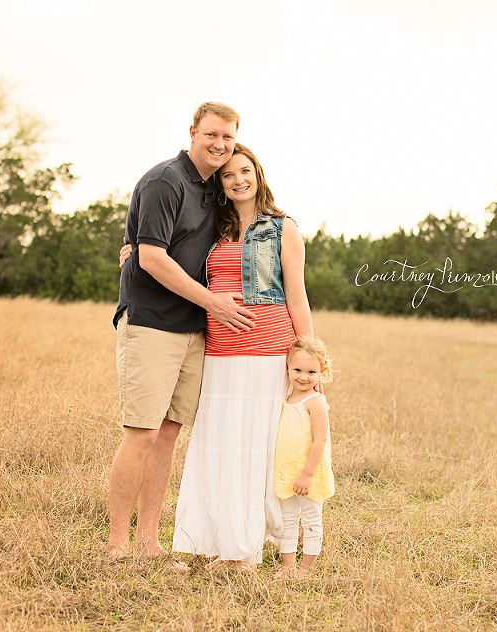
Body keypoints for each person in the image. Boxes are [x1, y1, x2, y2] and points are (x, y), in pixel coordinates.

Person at [121, 143, 314, 569]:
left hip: (269, 350)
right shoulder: (215, 227)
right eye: (228, 175)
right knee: (220, 447)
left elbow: (297, 296)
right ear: (220, 185)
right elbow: (174, 248)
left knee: (259, 448)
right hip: (220, 351)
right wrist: (135, 250)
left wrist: (309, 357)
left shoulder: (284, 228)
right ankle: (216, 542)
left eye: (245, 171)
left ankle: (245, 550)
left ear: (258, 174)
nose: (238, 180)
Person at [109, 102, 257, 565]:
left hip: (195, 331)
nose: (220, 145)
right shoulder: (165, 181)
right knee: (142, 434)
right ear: (193, 132)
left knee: (169, 434)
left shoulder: (215, 189)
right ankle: (117, 549)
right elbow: (151, 257)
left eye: (228, 138)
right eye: (212, 135)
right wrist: (212, 301)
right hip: (153, 323)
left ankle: (149, 543)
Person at [273, 336, 334, 579]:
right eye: (297, 370)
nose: (303, 377)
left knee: (311, 519)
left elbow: (320, 440)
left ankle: (306, 569)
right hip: (287, 471)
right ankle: (288, 567)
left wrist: (307, 474)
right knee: (287, 519)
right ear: (287, 368)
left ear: (322, 372)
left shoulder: (315, 402)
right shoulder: (284, 398)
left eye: (311, 371)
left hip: (309, 472)